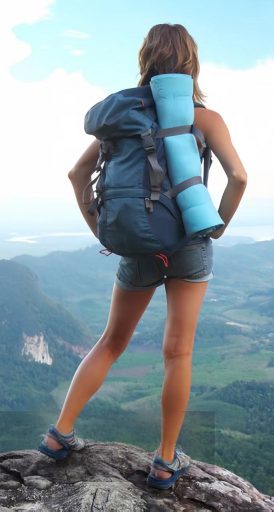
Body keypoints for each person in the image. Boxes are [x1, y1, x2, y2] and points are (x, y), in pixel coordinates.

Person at [36, 24, 247, 490]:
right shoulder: (203, 118)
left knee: (111, 342)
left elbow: (77, 174)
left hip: (137, 245)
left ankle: (59, 434)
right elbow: (239, 178)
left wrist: (105, 230)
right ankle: (165, 461)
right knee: (179, 352)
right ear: (191, 64)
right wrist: (215, 227)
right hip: (189, 246)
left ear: (145, 62)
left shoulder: (123, 120)